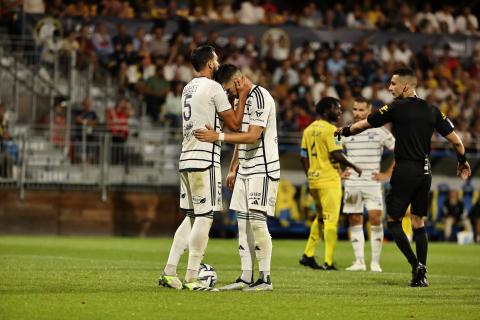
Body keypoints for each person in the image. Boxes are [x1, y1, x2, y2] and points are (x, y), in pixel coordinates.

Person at [336, 68, 471, 287]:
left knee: (393, 221)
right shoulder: (432, 110)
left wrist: (343, 131)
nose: (389, 88)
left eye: (393, 84)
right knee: (418, 221)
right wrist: (462, 160)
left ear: (406, 86)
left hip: (405, 170)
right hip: (425, 172)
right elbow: (456, 141)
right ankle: (422, 274)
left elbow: (363, 125)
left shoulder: (395, 108)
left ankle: (415, 264)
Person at [159, 46, 247, 291]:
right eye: (216, 59)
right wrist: (239, 98)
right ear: (210, 63)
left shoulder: (188, 87)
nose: (218, 63)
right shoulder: (214, 87)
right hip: (204, 159)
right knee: (205, 217)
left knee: (191, 217)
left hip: (186, 157)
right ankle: (192, 277)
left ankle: (169, 271)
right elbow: (236, 123)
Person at [194, 64, 279, 291]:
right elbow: (239, 136)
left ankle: (265, 279)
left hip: (263, 167)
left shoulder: (261, 97)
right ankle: (246, 277)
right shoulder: (239, 100)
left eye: (229, 90)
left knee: (258, 222)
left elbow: (252, 136)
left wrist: (217, 136)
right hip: (245, 168)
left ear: (239, 81)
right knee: (242, 224)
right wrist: (233, 168)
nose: (228, 95)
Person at [298, 97, 362, 270]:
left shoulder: (308, 129)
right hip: (329, 182)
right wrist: (354, 166)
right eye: (337, 108)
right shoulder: (332, 130)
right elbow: (336, 155)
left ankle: (308, 254)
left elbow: (303, 156)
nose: (340, 112)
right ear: (327, 110)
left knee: (320, 218)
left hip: (314, 181)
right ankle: (328, 261)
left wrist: (310, 175)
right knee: (331, 221)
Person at [341, 97, 395, 272]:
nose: (357, 113)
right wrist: (340, 170)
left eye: (361, 110)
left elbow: (400, 150)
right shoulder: (346, 131)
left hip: (372, 183)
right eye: (355, 109)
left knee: (375, 219)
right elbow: (332, 152)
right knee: (355, 219)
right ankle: (359, 262)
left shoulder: (380, 131)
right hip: (352, 183)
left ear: (369, 110)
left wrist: (387, 173)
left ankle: (375, 263)